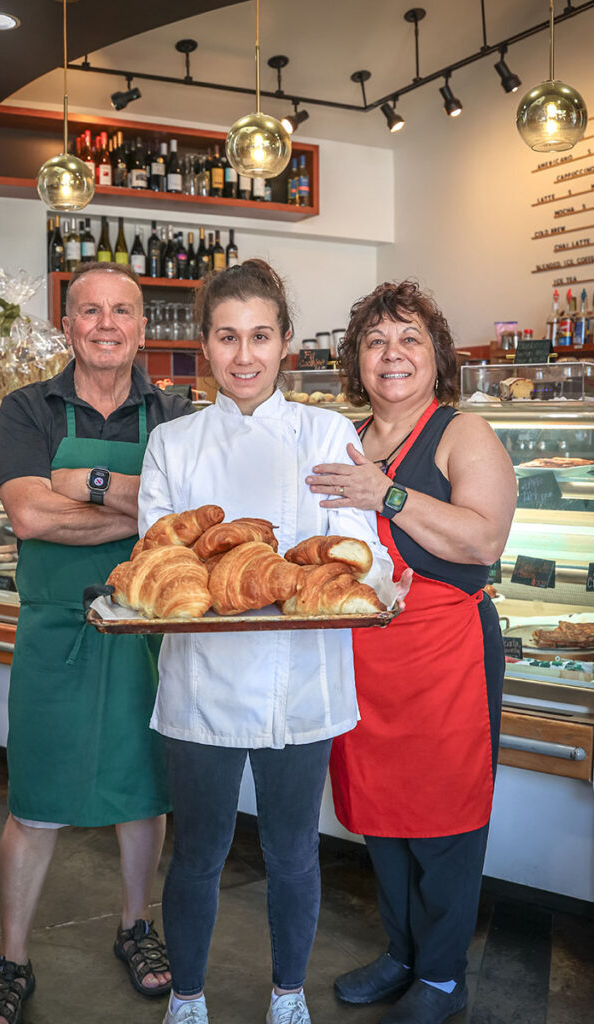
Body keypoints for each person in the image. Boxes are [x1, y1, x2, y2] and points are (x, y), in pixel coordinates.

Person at [137, 260, 402, 1024]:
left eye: (259, 335)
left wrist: (379, 576)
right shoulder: (174, 443)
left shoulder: (325, 433)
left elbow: (356, 550)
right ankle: (187, 1000)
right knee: (196, 854)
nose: (243, 355)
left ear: (285, 342)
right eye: (227, 337)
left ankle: (287, 997)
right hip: (199, 684)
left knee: (292, 853)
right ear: (203, 348)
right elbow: (165, 558)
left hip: (303, 680)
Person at [0, 263, 192, 1024]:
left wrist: (81, 481)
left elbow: (183, 520)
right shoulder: (27, 406)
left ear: (141, 326)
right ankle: (12, 958)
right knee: (35, 800)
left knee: (142, 790)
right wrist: (140, 508)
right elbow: (29, 516)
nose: (105, 324)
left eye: (120, 311)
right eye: (89, 311)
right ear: (68, 326)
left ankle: (136, 926)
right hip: (55, 625)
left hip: (146, 627)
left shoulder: (173, 413)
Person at [307, 280, 516, 1024]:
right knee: (380, 815)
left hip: (445, 652)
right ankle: (399, 954)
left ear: (436, 359)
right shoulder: (341, 439)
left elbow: (482, 540)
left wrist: (386, 495)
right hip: (362, 650)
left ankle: (442, 974)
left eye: (408, 340)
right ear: (355, 361)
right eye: (374, 341)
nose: (390, 354)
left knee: (446, 820)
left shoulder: (464, 434)